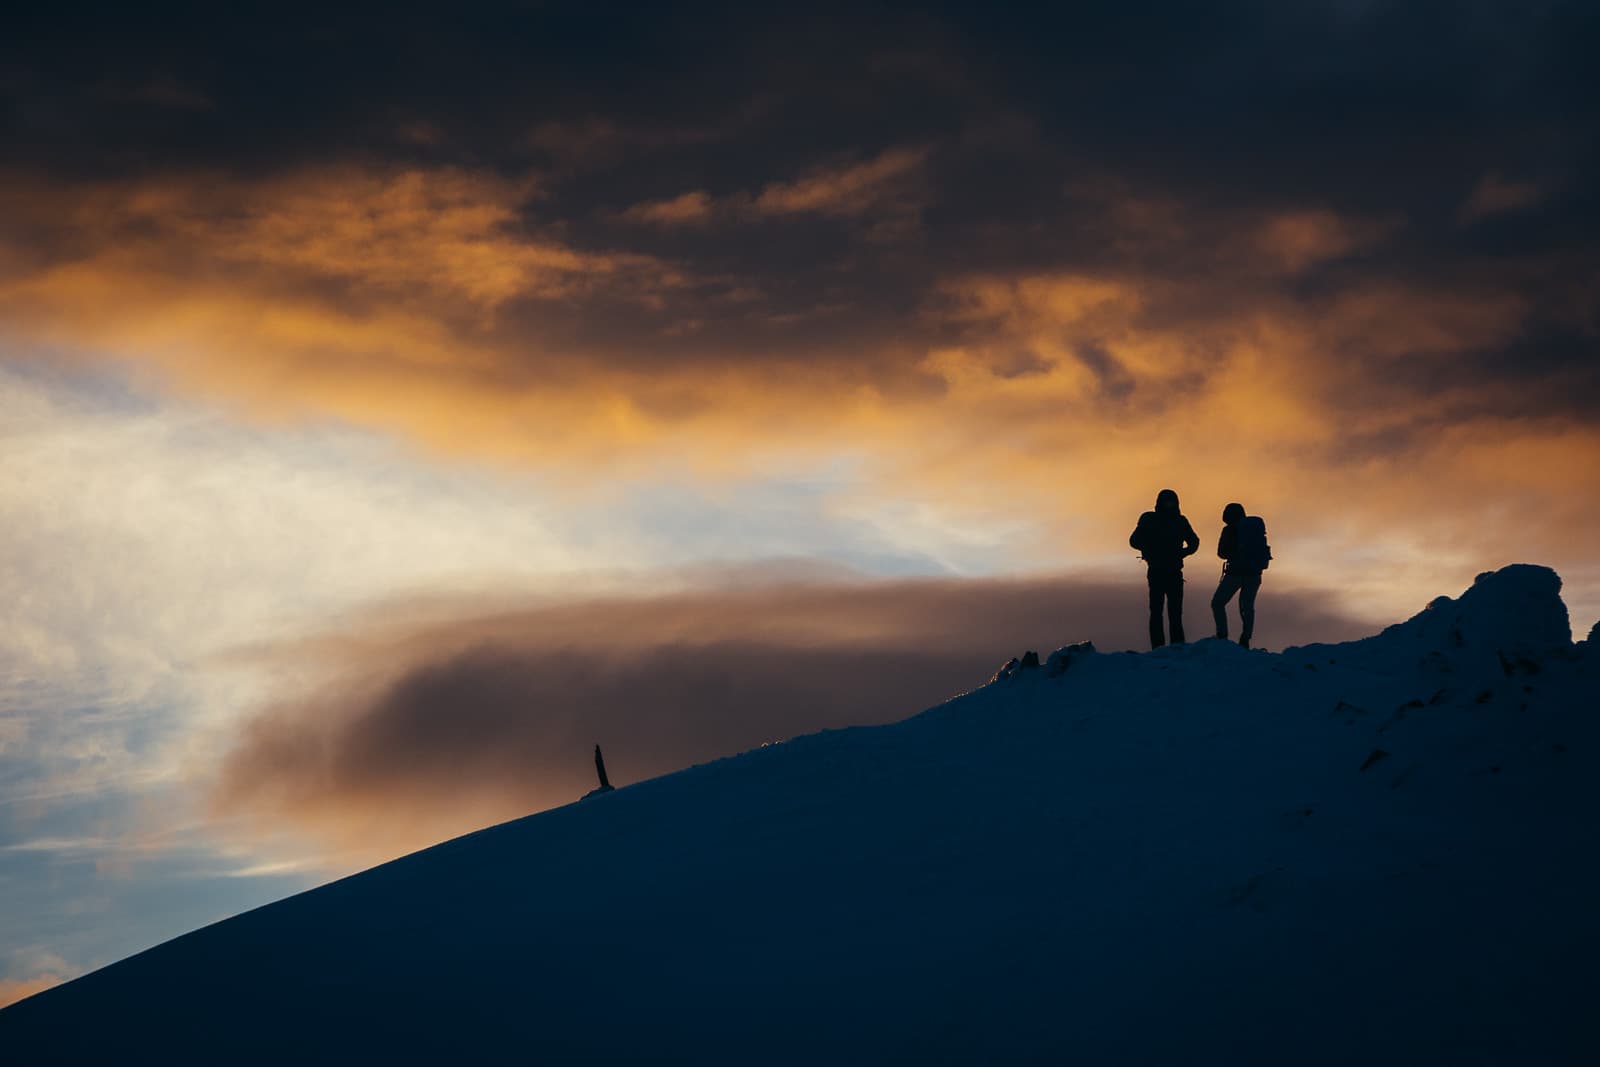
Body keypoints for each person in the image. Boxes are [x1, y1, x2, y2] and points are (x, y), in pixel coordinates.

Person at [1129, 489, 1200, 649]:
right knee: (1159, 612)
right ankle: (1162, 648)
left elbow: (1194, 542)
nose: (1169, 505)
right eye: (1167, 502)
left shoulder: (1176, 521)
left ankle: (1174, 647)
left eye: (1171, 502)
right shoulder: (1152, 519)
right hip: (1159, 571)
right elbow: (1134, 541)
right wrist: (1152, 549)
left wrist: (1181, 553)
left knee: (1170, 612)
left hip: (1170, 571)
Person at [1211, 502, 1271, 649]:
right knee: (1247, 606)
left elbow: (1221, 553)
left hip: (1235, 573)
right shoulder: (1254, 529)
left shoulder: (1228, 530)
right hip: (1254, 574)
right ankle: (1245, 638)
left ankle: (1222, 635)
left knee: (1217, 603)